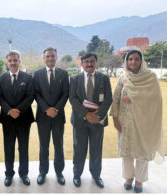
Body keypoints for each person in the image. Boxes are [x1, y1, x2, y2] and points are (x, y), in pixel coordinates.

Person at [110, 50, 164, 193]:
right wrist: (115, 119)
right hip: (125, 122)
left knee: (142, 150)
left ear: (141, 61)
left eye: (136, 59)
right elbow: (115, 99)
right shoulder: (123, 77)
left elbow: (156, 99)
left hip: (145, 121)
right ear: (127, 61)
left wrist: (134, 98)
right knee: (126, 151)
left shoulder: (150, 77)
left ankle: (139, 180)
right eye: (130, 59)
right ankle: (129, 177)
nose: (133, 62)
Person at [69, 53, 112, 188]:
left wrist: (97, 115)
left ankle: (96, 175)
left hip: (97, 121)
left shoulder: (104, 78)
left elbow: (108, 99)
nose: (89, 64)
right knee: (79, 149)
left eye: (92, 61)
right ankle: (77, 175)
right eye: (86, 62)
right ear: (81, 64)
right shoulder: (75, 79)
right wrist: (86, 114)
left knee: (96, 150)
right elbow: (72, 98)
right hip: (80, 120)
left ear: (96, 63)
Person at [0, 50, 34, 187]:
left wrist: (18, 110)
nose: (13, 63)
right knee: (9, 148)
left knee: (23, 148)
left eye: (15, 60)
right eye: (10, 60)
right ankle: (9, 174)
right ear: (7, 62)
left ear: (19, 61)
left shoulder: (28, 78)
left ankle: (24, 174)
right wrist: (9, 110)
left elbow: (30, 96)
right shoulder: (1, 79)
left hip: (24, 118)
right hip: (7, 119)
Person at [33, 47, 69, 185]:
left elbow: (65, 93)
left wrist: (56, 109)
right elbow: (36, 94)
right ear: (44, 58)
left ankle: (59, 172)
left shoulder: (64, 74)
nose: (50, 58)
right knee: (44, 145)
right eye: (47, 56)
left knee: (58, 145)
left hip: (58, 116)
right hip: (43, 116)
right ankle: (42, 172)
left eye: (52, 56)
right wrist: (47, 109)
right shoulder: (37, 74)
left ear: (56, 57)